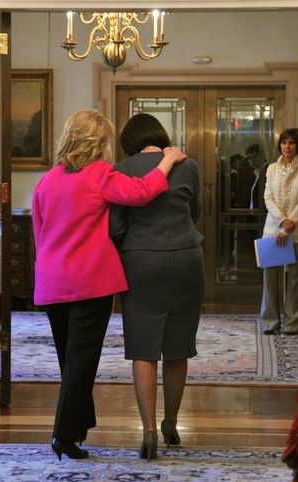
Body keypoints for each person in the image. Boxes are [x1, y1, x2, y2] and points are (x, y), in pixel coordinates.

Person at [31, 110, 186, 461]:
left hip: (53, 282)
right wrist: (169, 159)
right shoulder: (100, 174)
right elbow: (143, 191)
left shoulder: (47, 181)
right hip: (89, 282)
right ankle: (63, 435)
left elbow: (39, 235)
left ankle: (75, 432)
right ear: (99, 142)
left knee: (69, 361)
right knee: (81, 363)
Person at [109, 113, 204, 460]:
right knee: (178, 348)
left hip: (140, 262)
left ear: (129, 142)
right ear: (160, 135)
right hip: (186, 260)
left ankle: (148, 429)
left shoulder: (120, 169)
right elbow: (196, 213)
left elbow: (116, 226)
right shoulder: (187, 164)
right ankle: (171, 423)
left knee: (143, 348)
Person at [259, 128, 298, 335]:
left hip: (297, 229)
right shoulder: (271, 169)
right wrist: (282, 220)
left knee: (294, 279)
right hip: (273, 229)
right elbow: (268, 197)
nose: (287, 146)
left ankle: (293, 323)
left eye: (291, 143)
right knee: (271, 278)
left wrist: (291, 221)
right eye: (284, 142)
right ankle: (270, 322)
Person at [245, 143, 269, 211]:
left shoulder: (268, 172)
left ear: (262, 156)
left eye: (254, 156)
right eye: (249, 158)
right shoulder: (254, 173)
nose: (251, 160)